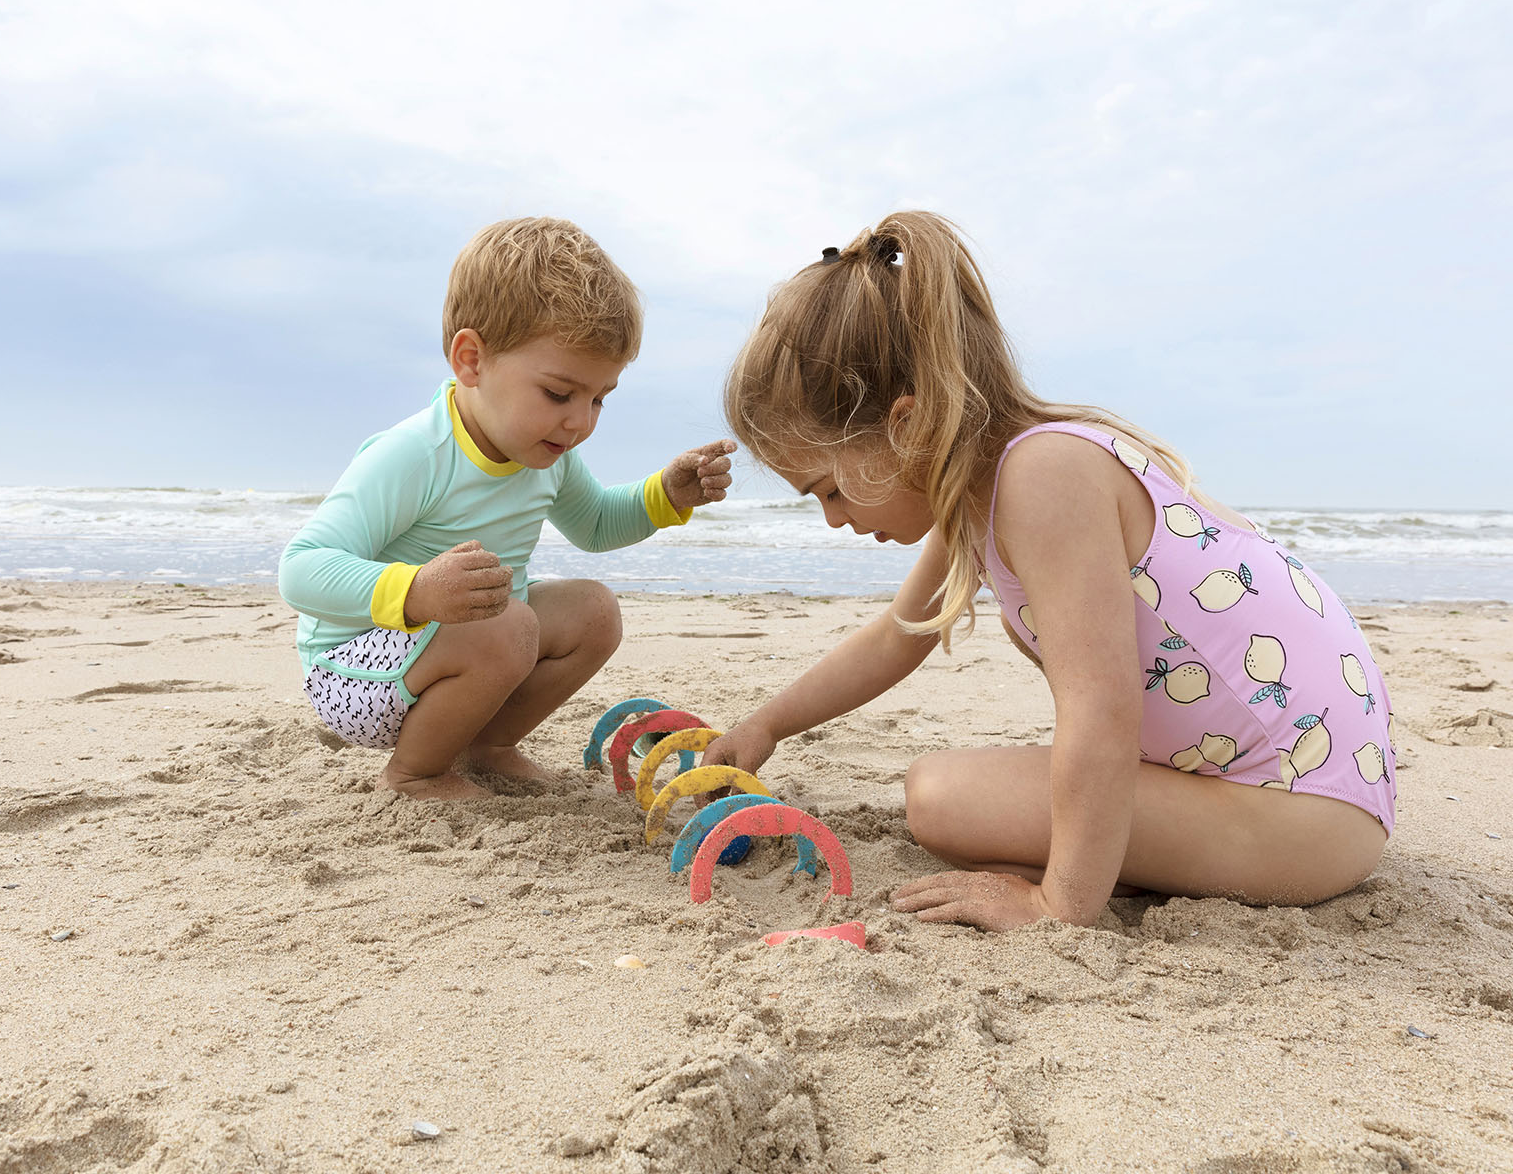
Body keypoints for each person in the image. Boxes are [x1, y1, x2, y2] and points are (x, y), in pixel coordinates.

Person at [702, 211, 1393, 931]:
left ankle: (1084, 887)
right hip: (1312, 792)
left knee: (938, 796)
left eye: (829, 488)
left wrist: (1056, 904)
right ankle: (1130, 869)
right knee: (950, 800)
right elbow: (894, 638)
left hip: (1302, 815)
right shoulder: (981, 489)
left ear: (905, 426)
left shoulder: (1041, 477)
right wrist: (765, 726)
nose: (834, 519)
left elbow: (1103, 709)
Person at [282, 217, 733, 800]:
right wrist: (417, 590)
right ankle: (412, 773)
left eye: (599, 398)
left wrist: (666, 494)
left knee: (594, 610)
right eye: (558, 393)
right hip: (354, 674)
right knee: (508, 622)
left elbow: (595, 524)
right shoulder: (416, 454)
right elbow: (301, 568)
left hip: (467, 651)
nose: (581, 421)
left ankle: (487, 746)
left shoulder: (546, 454)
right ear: (471, 360)